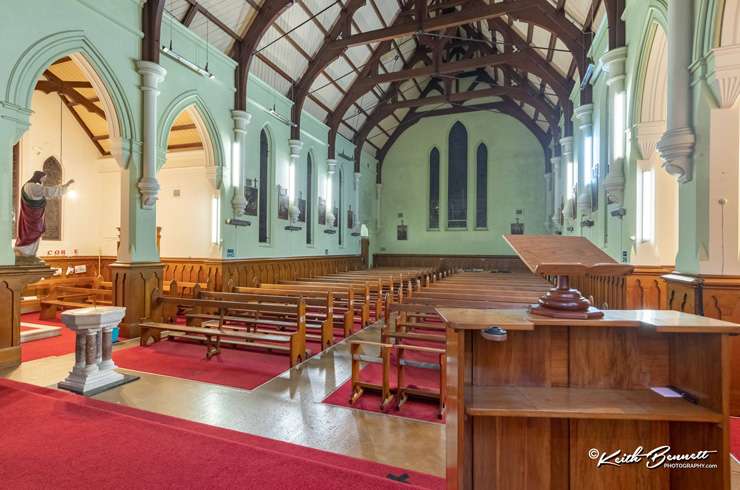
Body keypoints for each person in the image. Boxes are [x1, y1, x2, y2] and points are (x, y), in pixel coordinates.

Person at [14, 170, 74, 257]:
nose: (44, 180)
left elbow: (45, 192)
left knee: (27, 232)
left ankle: (26, 252)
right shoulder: (32, 186)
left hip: (29, 215)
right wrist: (65, 186)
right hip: (33, 216)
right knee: (34, 232)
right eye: (43, 178)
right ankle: (26, 253)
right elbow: (47, 191)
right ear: (39, 177)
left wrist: (62, 187)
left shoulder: (26, 186)